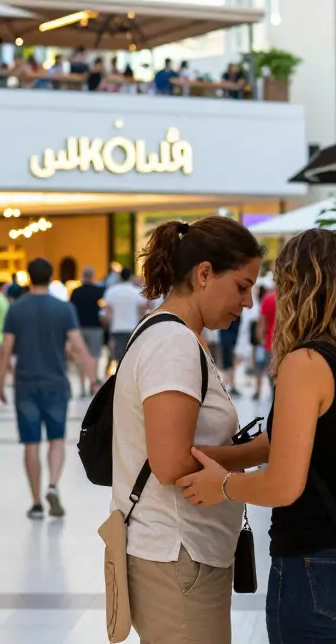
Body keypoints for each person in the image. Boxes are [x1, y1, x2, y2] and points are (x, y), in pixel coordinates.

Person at [177, 228, 336, 643]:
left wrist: (223, 486)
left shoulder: (308, 362)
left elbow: (283, 485)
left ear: (297, 288)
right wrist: (210, 456)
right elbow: (314, 442)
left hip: (319, 566)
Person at [110, 216, 264, 642]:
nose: (248, 302)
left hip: (181, 554)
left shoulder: (171, 336)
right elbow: (171, 462)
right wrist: (258, 452)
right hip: (178, 553)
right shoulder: (173, 344)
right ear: (204, 274)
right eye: (242, 286)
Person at [0, 258, 98, 520]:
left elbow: (5, 348)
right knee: (56, 439)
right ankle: (52, 484)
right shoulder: (63, 309)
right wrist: (93, 379)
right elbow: (78, 346)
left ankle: (36, 501)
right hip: (56, 383)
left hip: (26, 384)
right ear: (51, 277)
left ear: (28, 277)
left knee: (30, 443)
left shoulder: (16, 309)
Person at [103, 268, 147, 376]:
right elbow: (142, 310)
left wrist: (107, 327)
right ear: (130, 277)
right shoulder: (136, 292)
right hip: (132, 328)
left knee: (117, 358)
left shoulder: (111, 291)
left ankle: (119, 379)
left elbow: (107, 312)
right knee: (131, 357)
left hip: (116, 328)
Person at [69, 267, 105, 395]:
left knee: (80, 357)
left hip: (79, 327)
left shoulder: (75, 292)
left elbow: (71, 309)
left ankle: (82, 387)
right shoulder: (99, 291)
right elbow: (103, 309)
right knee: (94, 356)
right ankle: (92, 384)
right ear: (93, 276)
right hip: (95, 327)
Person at [256, 287, 277, 400]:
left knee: (271, 376)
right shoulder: (289, 299)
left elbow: (262, 325)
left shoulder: (268, 299)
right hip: (287, 345)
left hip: (270, 344)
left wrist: (263, 341)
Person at [218, 316, 242, 396]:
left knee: (228, 361)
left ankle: (228, 384)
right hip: (230, 338)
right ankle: (228, 384)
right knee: (228, 361)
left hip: (229, 337)